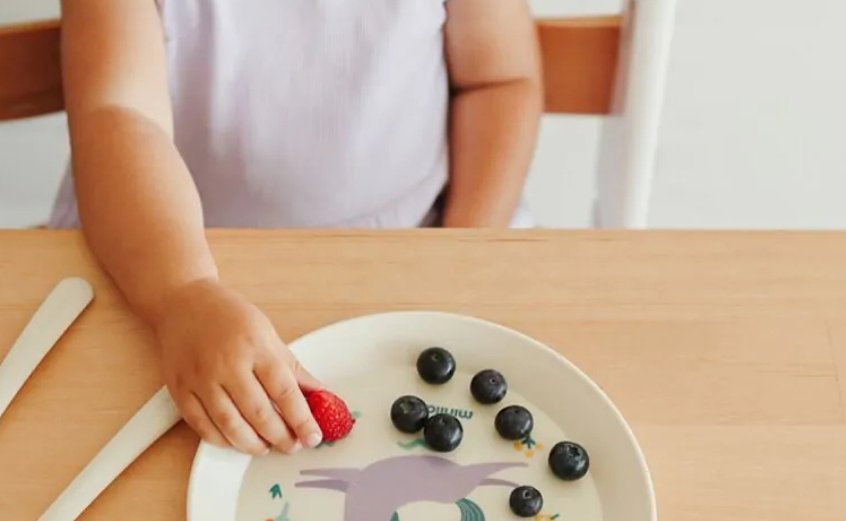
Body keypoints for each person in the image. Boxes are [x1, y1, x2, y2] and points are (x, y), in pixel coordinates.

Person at [53, 0, 543, 455]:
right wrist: (182, 292)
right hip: (165, 259)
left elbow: (499, 82)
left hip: (427, 239)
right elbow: (117, 114)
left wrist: (460, 247)